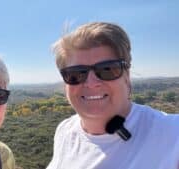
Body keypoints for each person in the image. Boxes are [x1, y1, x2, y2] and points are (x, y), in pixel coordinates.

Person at [46, 22, 179, 169]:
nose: (91, 83)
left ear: (126, 76)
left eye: (107, 69)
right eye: (76, 73)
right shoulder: (64, 131)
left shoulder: (172, 133)